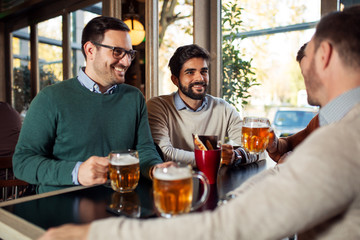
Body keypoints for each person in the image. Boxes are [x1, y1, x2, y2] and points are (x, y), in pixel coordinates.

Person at [39, 5, 360, 240]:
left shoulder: (342, 139)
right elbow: (283, 174)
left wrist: (94, 235)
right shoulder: (339, 128)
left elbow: (226, 230)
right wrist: (236, 196)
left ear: (325, 55)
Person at [12, 16, 169, 194]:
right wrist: (77, 172)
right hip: (60, 205)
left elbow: (145, 150)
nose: (126, 62)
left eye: (129, 54)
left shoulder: (134, 98)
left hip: (120, 202)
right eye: (117, 52)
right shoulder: (50, 98)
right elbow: (23, 163)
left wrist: (155, 169)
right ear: (90, 50)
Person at [146, 44, 243, 166]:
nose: (200, 78)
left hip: (216, 183)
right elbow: (164, 153)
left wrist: (236, 156)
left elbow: (256, 150)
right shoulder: (158, 106)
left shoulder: (223, 108)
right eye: (190, 72)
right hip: (176, 182)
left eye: (204, 71)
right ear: (175, 80)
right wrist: (215, 157)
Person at [266, 43, 320, 163]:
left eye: (312, 74)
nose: (307, 83)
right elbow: (290, 144)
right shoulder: (322, 119)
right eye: (304, 76)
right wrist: (275, 144)